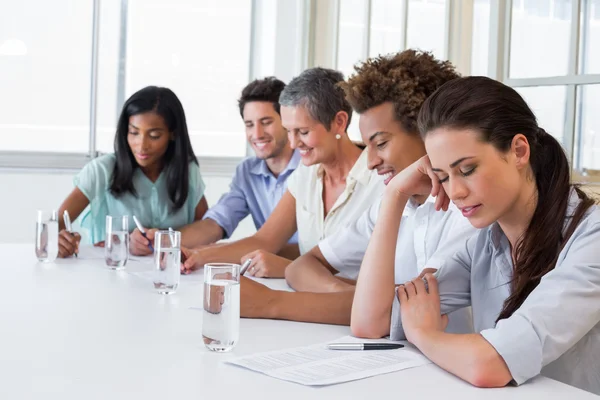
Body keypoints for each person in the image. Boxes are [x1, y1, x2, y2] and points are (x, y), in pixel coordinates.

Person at [352, 76, 600, 394]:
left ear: (519, 151)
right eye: (442, 177)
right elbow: (370, 322)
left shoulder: (590, 237)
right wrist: (395, 195)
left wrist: (426, 335)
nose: (454, 191)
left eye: (467, 170)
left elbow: (491, 365)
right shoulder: (482, 243)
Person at [239, 50, 475, 328]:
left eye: (381, 143)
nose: (372, 161)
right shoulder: (397, 203)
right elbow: (302, 266)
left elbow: (386, 313)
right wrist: (353, 296)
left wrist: (271, 303)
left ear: (428, 132)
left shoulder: (467, 212)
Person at [181, 67, 384, 278]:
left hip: (352, 304)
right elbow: (265, 240)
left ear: (339, 122)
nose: (294, 143)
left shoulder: (380, 179)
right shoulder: (305, 175)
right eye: (288, 131)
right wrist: (198, 257)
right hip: (303, 295)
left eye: (303, 132)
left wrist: (288, 270)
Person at [56, 86, 208, 258]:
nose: (141, 145)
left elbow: (207, 231)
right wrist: (59, 240)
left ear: (172, 134)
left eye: (154, 136)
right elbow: (56, 224)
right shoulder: (102, 170)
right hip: (111, 273)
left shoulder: (188, 172)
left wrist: (162, 240)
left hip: (172, 274)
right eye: (134, 132)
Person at [179, 77, 301, 252]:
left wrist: (223, 253)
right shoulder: (247, 171)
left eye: (266, 122)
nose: (257, 134)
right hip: (266, 271)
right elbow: (216, 223)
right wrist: (164, 241)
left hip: (310, 271)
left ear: (287, 121)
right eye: (249, 125)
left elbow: (317, 249)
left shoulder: (311, 167)